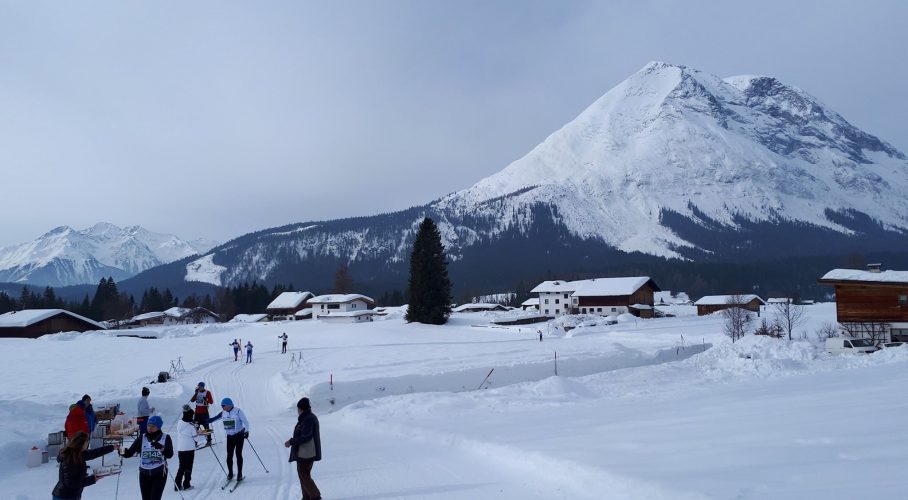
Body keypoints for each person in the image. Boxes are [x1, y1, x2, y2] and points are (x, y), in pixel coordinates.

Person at [51, 431, 119, 500]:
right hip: (64, 497)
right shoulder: (70, 459)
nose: (87, 444)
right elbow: (72, 484)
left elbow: (94, 453)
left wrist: (112, 447)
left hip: (70, 495)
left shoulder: (78, 453)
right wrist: (92, 479)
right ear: (81, 444)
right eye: (86, 442)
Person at [122, 415, 174, 500]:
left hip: (159, 473)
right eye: (148, 425)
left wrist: (161, 447)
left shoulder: (165, 438)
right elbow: (129, 453)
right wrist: (121, 450)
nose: (149, 428)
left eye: (153, 426)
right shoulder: (142, 438)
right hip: (144, 474)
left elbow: (170, 455)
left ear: (158, 427)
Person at [285, 397, 322, 500]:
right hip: (304, 452)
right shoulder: (306, 417)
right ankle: (307, 496)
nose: (297, 411)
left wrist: (291, 441)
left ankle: (315, 496)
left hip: (307, 453)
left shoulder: (308, 418)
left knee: (304, 475)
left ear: (301, 408)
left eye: (298, 408)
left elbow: (306, 436)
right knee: (303, 475)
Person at [208, 397, 250, 481]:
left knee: (238, 454)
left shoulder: (238, 411)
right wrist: (202, 421)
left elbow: (246, 422)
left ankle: (240, 474)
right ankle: (230, 474)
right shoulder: (223, 413)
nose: (222, 407)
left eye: (223, 405)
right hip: (230, 437)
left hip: (239, 435)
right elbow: (213, 419)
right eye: (221, 406)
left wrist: (246, 431)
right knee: (229, 455)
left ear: (229, 405)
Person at [174, 404, 199, 491]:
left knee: (181, 466)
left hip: (180, 448)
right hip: (189, 448)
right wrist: (197, 429)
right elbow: (196, 437)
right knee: (188, 466)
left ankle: (177, 484)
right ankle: (186, 484)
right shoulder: (191, 426)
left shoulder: (180, 423)